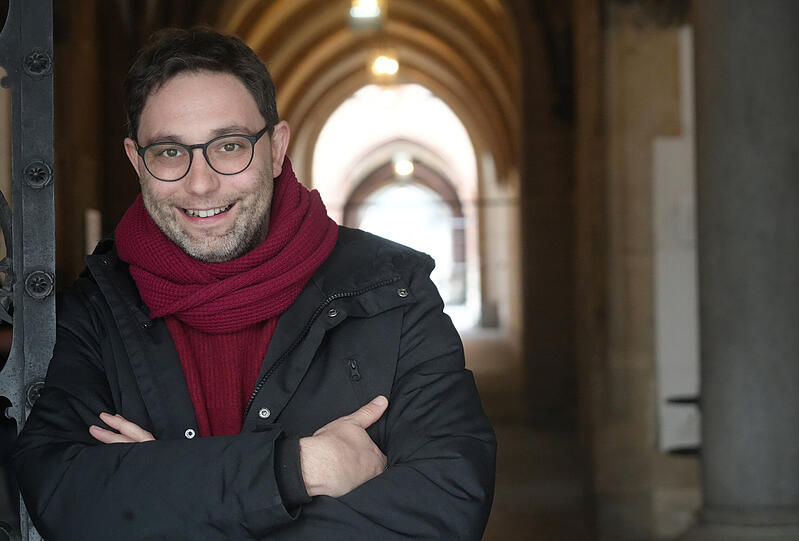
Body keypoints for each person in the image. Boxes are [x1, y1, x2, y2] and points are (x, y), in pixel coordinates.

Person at [12, 27, 496, 540]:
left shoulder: (394, 291)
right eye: (170, 153)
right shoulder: (98, 309)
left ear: (275, 148)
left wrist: (169, 487)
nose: (201, 183)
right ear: (137, 161)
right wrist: (296, 469)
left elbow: (447, 499)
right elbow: (64, 495)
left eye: (229, 146)